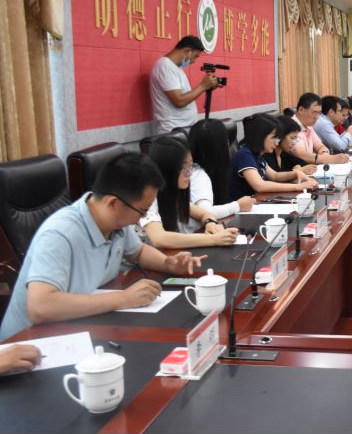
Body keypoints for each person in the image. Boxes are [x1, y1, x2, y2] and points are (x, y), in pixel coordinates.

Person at [0, 153, 207, 341]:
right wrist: (124, 298)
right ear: (113, 203)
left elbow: (138, 252)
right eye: (142, 211)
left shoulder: (115, 221)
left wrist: (168, 264)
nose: (142, 218)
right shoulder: (60, 233)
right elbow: (40, 307)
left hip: (81, 325)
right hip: (31, 343)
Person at [139, 138, 239, 249]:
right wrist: (213, 239)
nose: (189, 173)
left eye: (190, 166)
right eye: (183, 167)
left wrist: (210, 223)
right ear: (166, 168)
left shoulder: (171, 194)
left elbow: (205, 214)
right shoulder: (147, 196)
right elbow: (160, 239)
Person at [229, 114, 318, 200]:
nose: (277, 142)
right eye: (273, 138)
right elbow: (260, 185)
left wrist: (295, 173)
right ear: (261, 136)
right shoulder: (244, 155)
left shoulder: (257, 155)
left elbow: (275, 176)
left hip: (257, 202)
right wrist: (298, 186)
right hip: (243, 207)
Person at [188, 119, 255, 225]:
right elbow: (205, 211)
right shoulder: (199, 176)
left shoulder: (198, 170)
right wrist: (238, 205)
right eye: (226, 140)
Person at [149, 36, 219, 134]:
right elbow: (179, 101)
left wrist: (207, 87)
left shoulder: (177, 68)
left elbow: (185, 96)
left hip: (184, 129)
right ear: (187, 51)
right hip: (173, 131)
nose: (194, 61)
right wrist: (203, 86)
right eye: (195, 56)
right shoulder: (164, 66)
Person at [290, 93, 349, 165]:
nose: (317, 117)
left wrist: (324, 155)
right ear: (301, 110)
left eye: (319, 113)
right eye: (314, 112)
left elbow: (321, 146)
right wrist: (330, 159)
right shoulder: (291, 127)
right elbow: (302, 155)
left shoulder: (308, 126)